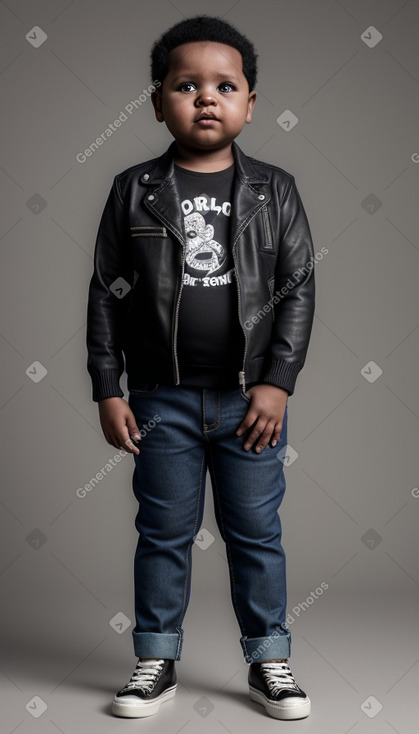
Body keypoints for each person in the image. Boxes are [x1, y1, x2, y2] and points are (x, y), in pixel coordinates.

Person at [86, 14, 315, 721]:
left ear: (250, 102)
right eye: (187, 86)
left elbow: (299, 288)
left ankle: (267, 657)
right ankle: (155, 657)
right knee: (163, 532)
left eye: (225, 85)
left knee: (256, 533)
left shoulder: (273, 191)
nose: (206, 98)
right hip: (162, 401)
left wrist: (276, 383)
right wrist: (107, 387)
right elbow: (105, 291)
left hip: (248, 403)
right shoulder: (134, 190)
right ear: (159, 103)